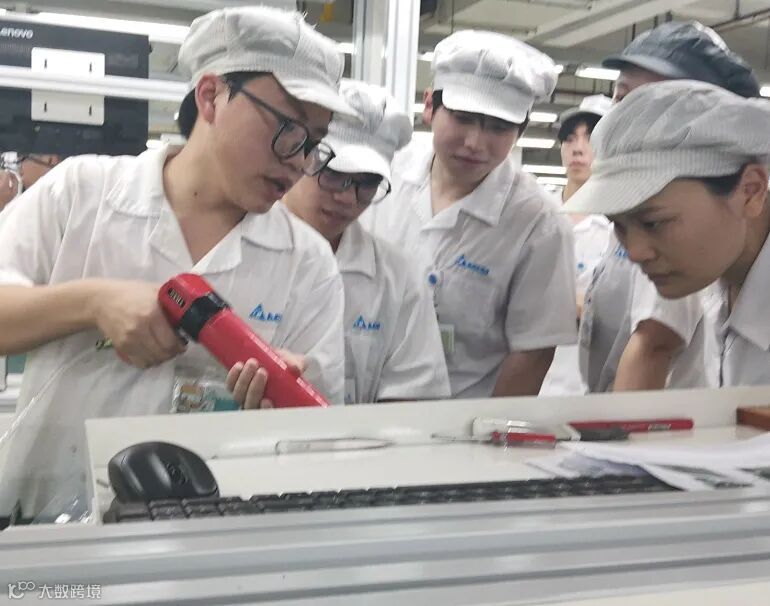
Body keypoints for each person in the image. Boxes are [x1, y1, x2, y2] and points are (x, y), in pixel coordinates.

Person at [0, 6, 354, 520]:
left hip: (211, 533)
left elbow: (319, 430)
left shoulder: (308, 262)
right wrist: (91, 302)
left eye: (314, 144)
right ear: (211, 96)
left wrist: (280, 410)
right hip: (46, 517)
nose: (299, 161)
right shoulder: (81, 193)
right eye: (288, 128)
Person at [362, 31, 577, 399]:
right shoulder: (383, 174)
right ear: (429, 106)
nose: (475, 142)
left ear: (521, 130)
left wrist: (489, 426)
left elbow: (532, 352)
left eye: (499, 127)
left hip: (458, 417)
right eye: (462, 118)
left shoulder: (539, 223)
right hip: (356, 402)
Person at [577, 21, 760, 392]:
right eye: (619, 224)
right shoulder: (715, 276)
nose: (635, 252)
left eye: (654, 223)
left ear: (750, 192)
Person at [283, 80, 451, 404]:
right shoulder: (243, 244)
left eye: (368, 182)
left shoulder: (398, 278)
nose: (348, 198)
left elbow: (414, 399)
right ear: (301, 157)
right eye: (334, 174)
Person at [540, 95, 612, 395]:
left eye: (590, 139)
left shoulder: (618, 227)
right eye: (569, 139)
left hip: (585, 385)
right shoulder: (537, 213)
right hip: (534, 380)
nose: (578, 148)